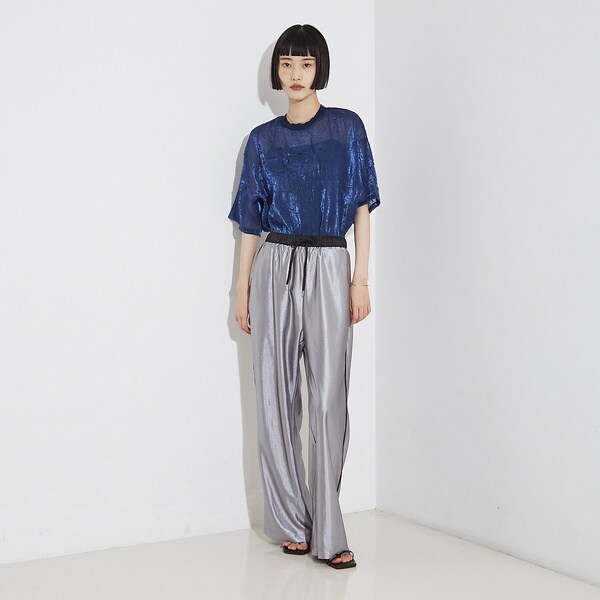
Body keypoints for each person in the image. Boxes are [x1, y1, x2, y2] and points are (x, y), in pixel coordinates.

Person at [228, 23, 380, 570]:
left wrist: (360, 279)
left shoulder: (346, 128)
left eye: (306, 64)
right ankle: (292, 523)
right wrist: (242, 286)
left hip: (330, 262)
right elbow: (250, 222)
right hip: (274, 264)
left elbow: (361, 206)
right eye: (287, 63)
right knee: (274, 392)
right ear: (277, 71)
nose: (295, 74)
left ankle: (328, 529)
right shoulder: (262, 140)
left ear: (320, 69)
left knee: (327, 396)